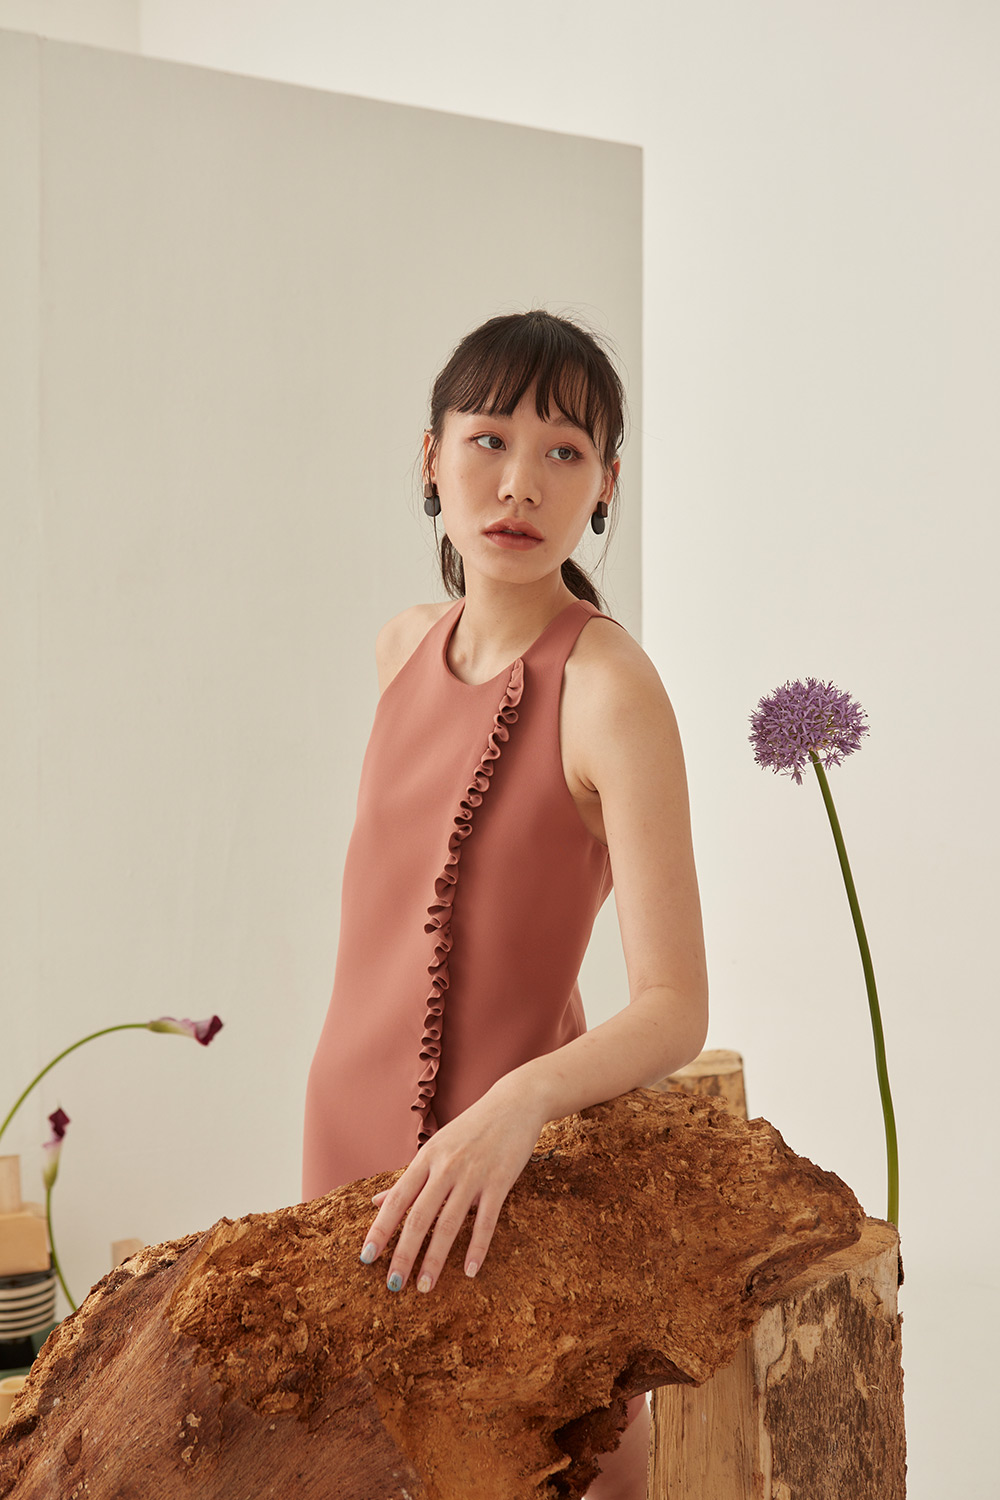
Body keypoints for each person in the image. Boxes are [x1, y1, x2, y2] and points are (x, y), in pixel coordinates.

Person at [302, 308, 708, 1499]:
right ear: (430, 457)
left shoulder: (611, 688)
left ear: (606, 484)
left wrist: (516, 1103)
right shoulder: (400, 648)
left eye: (563, 452)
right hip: (341, 1155)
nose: (520, 483)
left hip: (504, 1184)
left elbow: (675, 1005)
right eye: (487, 439)